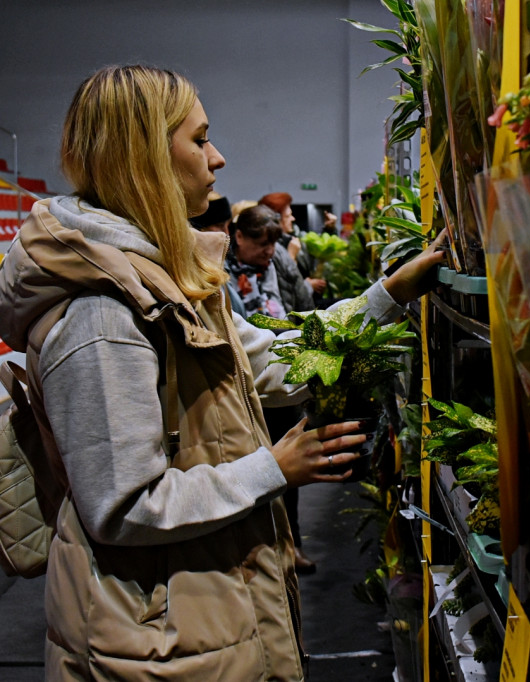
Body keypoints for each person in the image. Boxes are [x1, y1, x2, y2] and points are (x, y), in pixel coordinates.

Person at [0, 64, 445, 679]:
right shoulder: (100, 313)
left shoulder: (158, 280)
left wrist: (386, 296)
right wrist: (273, 469)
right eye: (200, 138)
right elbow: (123, 505)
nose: (219, 158)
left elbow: (271, 359)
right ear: (148, 156)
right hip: (149, 641)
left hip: (191, 618)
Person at [227, 203, 317, 571]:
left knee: (288, 471)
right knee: (256, 467)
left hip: (283, 371)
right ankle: (264, 550)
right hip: (254, 383)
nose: (268, 251)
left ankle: (290, 544)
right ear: (239, 237)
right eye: (261, 243)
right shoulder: (220, 271)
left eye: (272, 244)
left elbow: (299, 299)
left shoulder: (276, 261)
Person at [259, 191, 327, 300]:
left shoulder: (290, 240)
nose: (293, 219)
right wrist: (291, 257)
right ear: (276, 220)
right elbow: (281, 290)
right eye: (288, 216)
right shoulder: (272, 249)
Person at [191, 192, 245, 315]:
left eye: (228, 226)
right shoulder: (195, 272)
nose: (226, 233)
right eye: (219, 226)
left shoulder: (224, 263)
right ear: (199, 229)